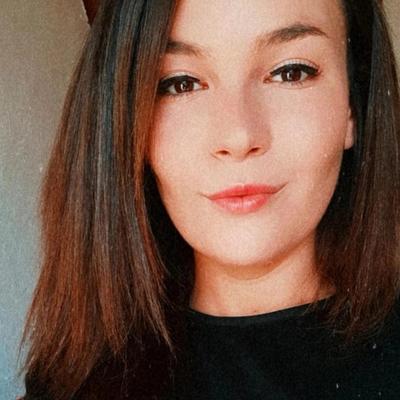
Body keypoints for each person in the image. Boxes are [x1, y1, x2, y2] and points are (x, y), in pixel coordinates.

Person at [21, 0, 400, 399]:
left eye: (290, 72)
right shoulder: (70, 384)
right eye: (181, 83)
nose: (238, 136)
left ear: (352, 107)